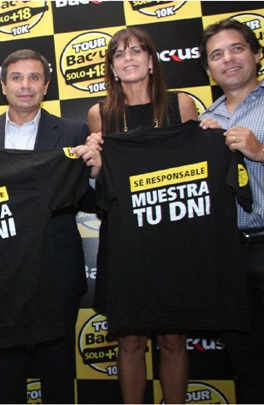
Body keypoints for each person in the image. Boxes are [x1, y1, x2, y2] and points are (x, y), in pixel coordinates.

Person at [0, 49, 94, 404]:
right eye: (17, 78)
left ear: (46, 86)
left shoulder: (74, 130)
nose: (26, 85)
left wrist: (95, 171)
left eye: (34, 77)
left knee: (58, 369)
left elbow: (89, 198)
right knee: (6, 372)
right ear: (3, 85)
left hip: (57, 267)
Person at [85, 27, 198, 404]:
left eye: (136, 51)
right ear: (112, 68)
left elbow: (197, 169)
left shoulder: (181, 105)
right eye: (119, 54)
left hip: (174, 238)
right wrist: (94, 164)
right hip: (125, 240)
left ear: (151, 61)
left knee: (173, 338)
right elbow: (103, 183)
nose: (128, 58)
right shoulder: (100, 114)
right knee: (130, 341)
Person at [198, 18, 264, 404]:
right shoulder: (205, 122)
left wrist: (260, 152)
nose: (228, 59)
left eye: (237, 49)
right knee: (247, 364)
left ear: (256, 54)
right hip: (228, 256)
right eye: (217, 55)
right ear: (208, 69)